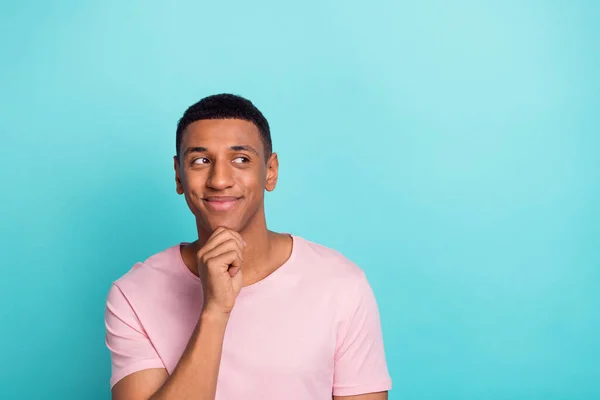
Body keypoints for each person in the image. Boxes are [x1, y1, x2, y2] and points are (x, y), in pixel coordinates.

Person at [104, 94, 392, 400]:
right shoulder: (133, 294)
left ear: (270, 171)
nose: (220, 180)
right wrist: (215, 310)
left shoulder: (341, 285)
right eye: (201, 161)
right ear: (179, 175)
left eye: (240, 159)